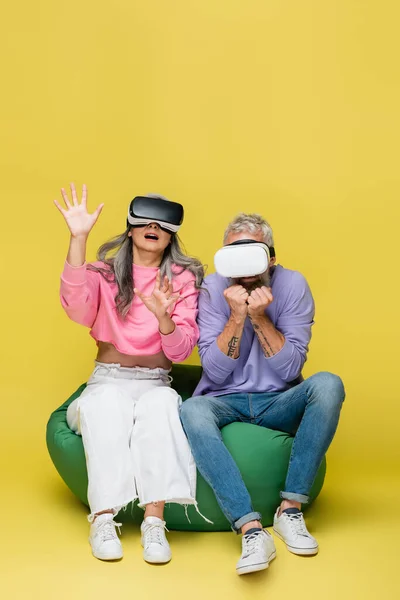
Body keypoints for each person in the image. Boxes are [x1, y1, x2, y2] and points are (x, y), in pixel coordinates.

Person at [180, 213, 345, 575]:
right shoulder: (212, 287)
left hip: (279, 399)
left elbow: (289, 370)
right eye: (233, 252)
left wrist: (260, 317)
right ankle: (251, 529)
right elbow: (216, 371)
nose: (244, 264)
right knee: (191, 410)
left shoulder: (293, 284)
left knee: (329, 384)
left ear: (271, 256)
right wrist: (236, 316)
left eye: (252, 252)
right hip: (223, 399)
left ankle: (290, 509)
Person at [54, 184, 203, 563]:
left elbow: (183, 348)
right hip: (108, 378)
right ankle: (103, 520)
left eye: (163, 222)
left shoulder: (182, 279)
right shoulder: (104, 273)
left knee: (162, 409)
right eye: (145, 218)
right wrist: (78, 238)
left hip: (156, 381)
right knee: (106, 406)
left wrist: (164, 318)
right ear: (131, 228)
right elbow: (75, 306)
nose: (153, 225)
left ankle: (155, 524)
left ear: (171, 234)